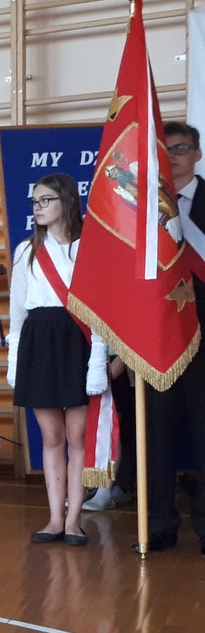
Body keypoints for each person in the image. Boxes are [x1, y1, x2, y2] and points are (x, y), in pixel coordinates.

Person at [6, 173, 108, 546]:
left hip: (76, 340)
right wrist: (14, 359)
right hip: (39, 341)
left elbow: (98, 310)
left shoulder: (88, 248)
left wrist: (97, 359)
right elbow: (18, 310)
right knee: (51, 436)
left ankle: (74, 520)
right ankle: (53, 518)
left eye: (46, 200)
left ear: (67, 201)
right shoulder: (26, 250)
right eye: (35, 201)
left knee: (77, 435)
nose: (38, 207)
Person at [135, 121, 205, 552]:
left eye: (181, 148)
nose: (173, 156)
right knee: (156, 435)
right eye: (166, 149)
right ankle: (159, 524)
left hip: (204, 338)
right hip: (158, 337)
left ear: (197, 154)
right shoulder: (144, 209)